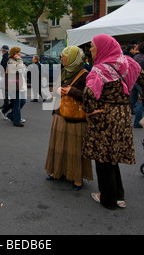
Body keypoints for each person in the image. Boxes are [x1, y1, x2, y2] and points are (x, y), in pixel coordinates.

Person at [82, 34, 144, 210]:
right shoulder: (128, 62)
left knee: (102, 158)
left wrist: (90, 111)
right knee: (112, 156)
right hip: (123, 114)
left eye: (92, 46)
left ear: (102, 47)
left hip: (104, 116)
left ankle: (107, 199)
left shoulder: (98, 70)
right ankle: (118, 196)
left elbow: (88, 94)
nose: (90, 49)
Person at [45, 45, 93, 190]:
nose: (62, 58)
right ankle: (57, 172)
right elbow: (54, 89)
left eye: (64, 56)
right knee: (58, 146)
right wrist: (55, 90)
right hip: (59, 114)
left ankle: (77, 178)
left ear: (73, 58)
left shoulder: (85, 74)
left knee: (74, 149)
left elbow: (90, 96)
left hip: (75, 118)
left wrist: (72, 91)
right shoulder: (64, 71)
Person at [6, 47, 27, 127]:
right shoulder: (11, 61)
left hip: (20, 84)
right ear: (15, 53)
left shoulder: (16, 61)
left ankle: (11, 115)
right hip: (15, 85)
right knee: (17, 103)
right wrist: (19, 59)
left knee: (22, 101)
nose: (20, 54)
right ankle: (16, 121)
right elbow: (19, 68)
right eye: (18, 52)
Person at [0, 45, 10, 112]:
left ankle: (6, 103)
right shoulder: (5, 56)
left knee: (5, 89)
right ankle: (6, 103)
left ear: (3, 50)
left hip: (5, 75)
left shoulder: (6, 57)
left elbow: (5, 66)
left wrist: (3, 73)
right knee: (4, 89)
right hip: (5, 75)